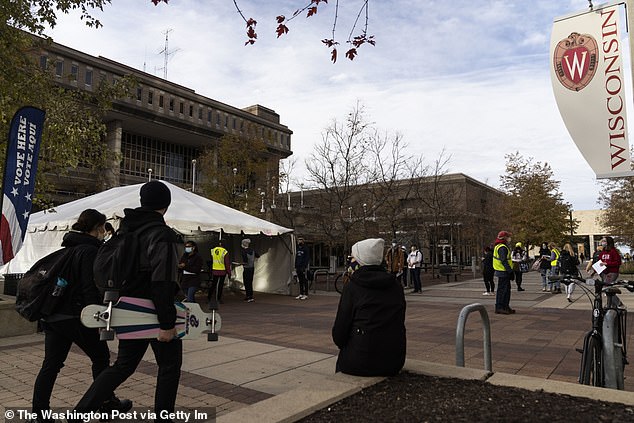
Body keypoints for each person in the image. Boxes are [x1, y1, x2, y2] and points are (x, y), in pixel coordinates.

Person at [72, 180, 182, 422]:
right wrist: (166, 323)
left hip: (128, 308)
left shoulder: (126, 230)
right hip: (154, 310)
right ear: (166, 204)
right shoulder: (162, 235)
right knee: (169, 366)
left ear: (143, 202)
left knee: (123, 366)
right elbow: (162, 281)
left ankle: (81, 412)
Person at [29, 209, 131, 423]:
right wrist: (98, 314)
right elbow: (88, 287)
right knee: (101, 357)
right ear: (98, 228)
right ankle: (105, 403)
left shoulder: (68, 248)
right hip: (76, 316)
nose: (104, 231)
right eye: (103, 227)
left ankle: (39, 414)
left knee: (51, 364)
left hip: (54, 315)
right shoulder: (88, 251)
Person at [332, 238, 406, 376]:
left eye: (353, 257)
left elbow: (339, 333)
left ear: (360, 259)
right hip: (394, 360)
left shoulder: (353, 287)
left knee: (342, 360)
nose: (351, 260)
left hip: (361, 361)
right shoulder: (396, 286)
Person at [493, 231, 515, 315]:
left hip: (502, 271)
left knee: (506, 290)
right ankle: (500, 307)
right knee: (503, 290)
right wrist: (510, 271)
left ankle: (505, 306)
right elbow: (503, 260)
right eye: (508, 236)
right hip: (503, 271)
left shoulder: (500, 246)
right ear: (504, 237)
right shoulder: (502, 247)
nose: (509, 238)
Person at [209, 240, 231, 307]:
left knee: (213, 284)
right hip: (222, 270)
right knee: (220, 285)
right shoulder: (225, 252)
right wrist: (229, 272)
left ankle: (209, 297)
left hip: (215, 269)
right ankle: (218, 298)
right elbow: (227, 263)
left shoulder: (212, 250)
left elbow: (211, 260)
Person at [240, 238, 259, 302]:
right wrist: (253, 260)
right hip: (252, 268)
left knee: (246, 282)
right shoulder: (252, 250)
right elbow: (258, 256)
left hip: (247, 268)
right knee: (250, 282)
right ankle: (250, 296)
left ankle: (248, 296)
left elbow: (245, 261)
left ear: (244, 244)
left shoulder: (243, 251)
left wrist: (241, 263)